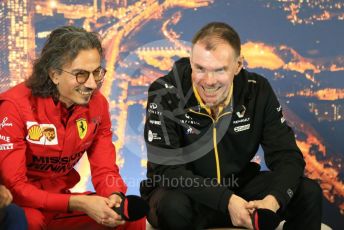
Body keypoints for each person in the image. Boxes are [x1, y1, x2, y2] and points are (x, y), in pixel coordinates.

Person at [140, 22, 322, 229]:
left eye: (220, 70)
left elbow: (288, 156)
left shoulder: (257, 90)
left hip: (239, 188)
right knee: (172, 205)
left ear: (238, 65)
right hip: (186, 193)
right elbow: (167, 169)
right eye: (200, 68)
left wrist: (272, 201)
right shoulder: (165, 92)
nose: (209, 81)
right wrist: (227, 201)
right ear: (191, 62)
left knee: (309, 192)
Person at [0, 26, 145, 230]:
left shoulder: (98, 105)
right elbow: (15, 187)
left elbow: (105, 168)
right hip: (23, 205)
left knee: (127, 220)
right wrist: (78, 203)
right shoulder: (13, 107)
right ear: (54, 74)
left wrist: (114, 196)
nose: (93, 84)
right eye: (81, 75)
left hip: (62, 202)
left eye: (97, 73)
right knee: (30, 222)